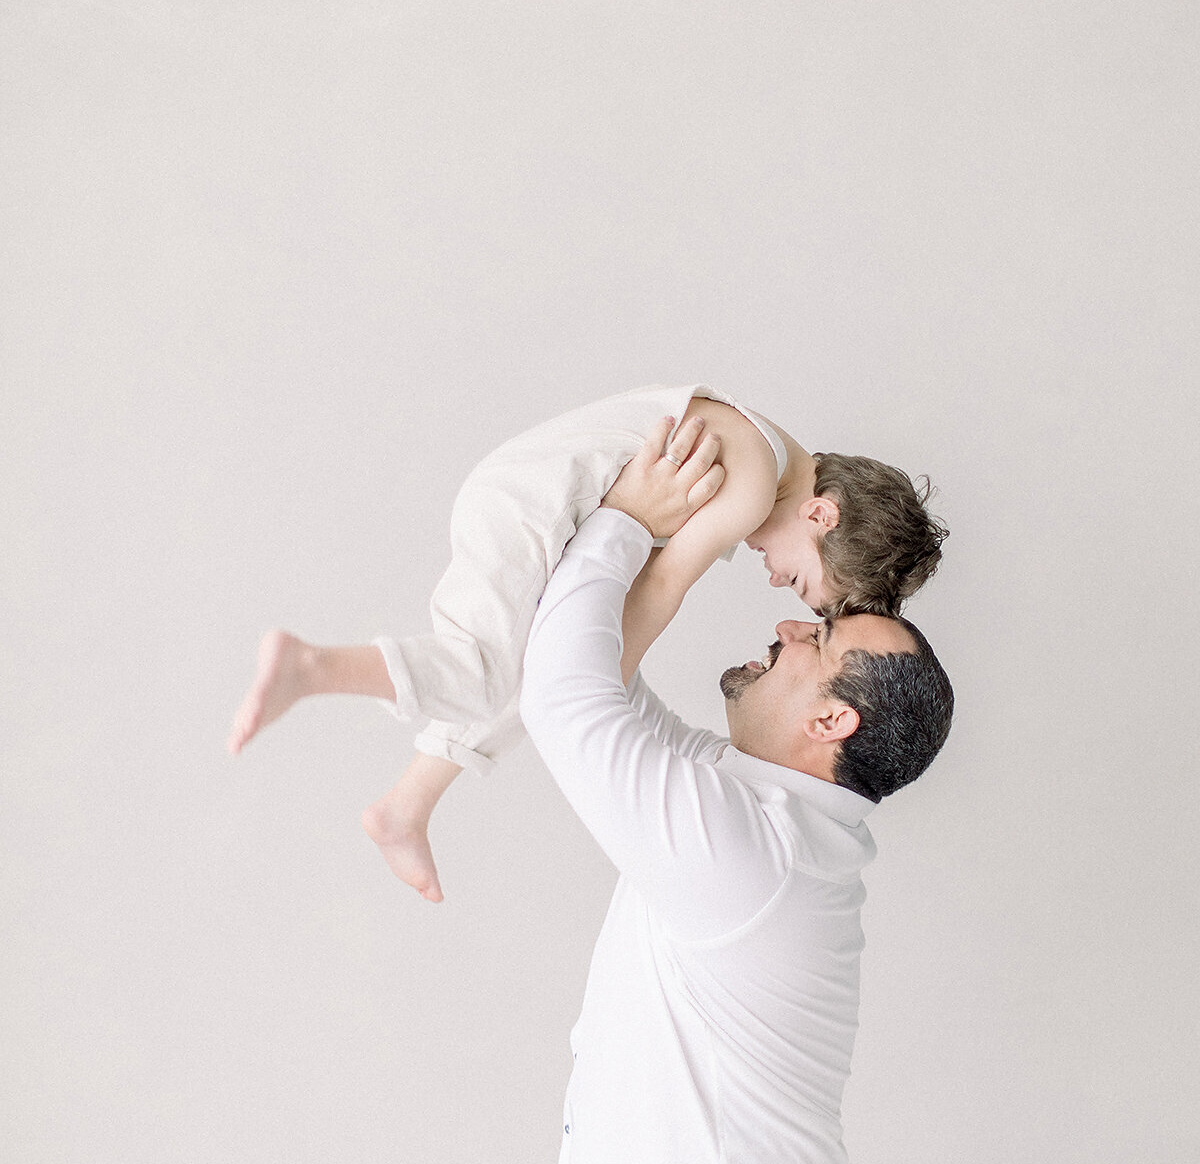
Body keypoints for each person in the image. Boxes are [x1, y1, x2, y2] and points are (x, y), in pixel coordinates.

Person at [517, 425, 954, 1164]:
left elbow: (560, 697)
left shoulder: (743, 847)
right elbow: (590, 681)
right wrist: (681, 532)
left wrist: (635, 520)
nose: (793, 627)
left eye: (821, 643)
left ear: (835, 727)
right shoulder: (750, 816)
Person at [227, 384, 946, 901]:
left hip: (540, 507)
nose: (776, 585)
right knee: (487, 676)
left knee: (510, 675)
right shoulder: (754, 485)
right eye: (801, 584)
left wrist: (582, 670)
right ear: (821, 513)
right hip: (530, 510)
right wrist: (595, 676)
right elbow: (661, 588)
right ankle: (312, 667)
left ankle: (404, 807)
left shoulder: (768, 451)